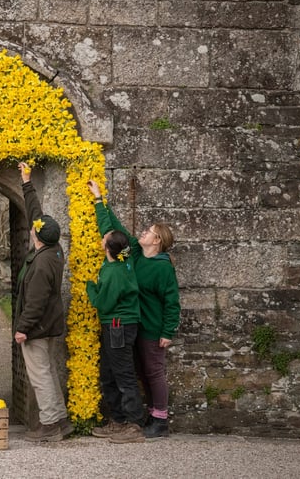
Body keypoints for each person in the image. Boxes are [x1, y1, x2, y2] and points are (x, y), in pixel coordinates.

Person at [88, 180, 180, 438]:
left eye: (148, 231)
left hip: (152, 326)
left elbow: (172, 301)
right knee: (135, 370)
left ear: (157, 240)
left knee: (153, 371)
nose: (142, 232)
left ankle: (159, 419)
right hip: (133, 324)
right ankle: (140, 417)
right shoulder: (134, 255)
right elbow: (113, 230)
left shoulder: (162, 267)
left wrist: (168, 331)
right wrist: (99, 199)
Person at [13, 162, 72, 442]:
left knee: (40, 376)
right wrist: (26, 182)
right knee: (47, 371)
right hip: (50, 323)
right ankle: (60, 419)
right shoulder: (54, 247)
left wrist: (22, 328)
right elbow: (36, 215)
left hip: (36, 327)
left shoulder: (40, 266)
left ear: (35, 236)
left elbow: (34, 302)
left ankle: (49, 426)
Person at [86, 228, 147, 444]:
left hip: (117, 325)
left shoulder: (114, 272)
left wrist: (90, 286)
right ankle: (119, 419)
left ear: (109, 247)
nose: (101, 238)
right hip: (117, 325)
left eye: (104, 237)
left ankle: (134, 424)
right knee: (109, 373)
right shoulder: (124, 259)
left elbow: (102, 303)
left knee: (123, 374)